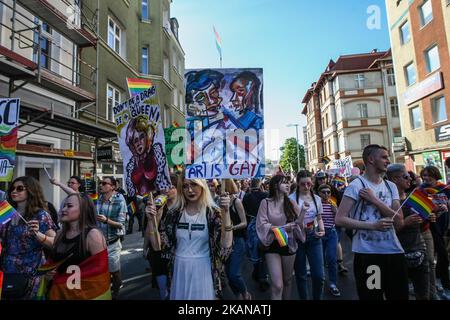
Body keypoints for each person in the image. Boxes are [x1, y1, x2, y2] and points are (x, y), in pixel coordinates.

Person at [336, 144, 408, 300]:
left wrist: (374, 200)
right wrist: (372, 226)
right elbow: (340, 218)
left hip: (394, 252)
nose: (388, 161)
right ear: (370, 159)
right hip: (368, 255)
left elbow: (399, 219)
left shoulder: (391, 186)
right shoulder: (356, 186)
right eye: (384, 157)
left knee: (399, 296)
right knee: (372, 297)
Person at [154, 174, 233, 300]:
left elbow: (225, 247)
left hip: (203, 271)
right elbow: (159, 246)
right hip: (179, 270)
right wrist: (153, 219)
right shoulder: (173, 214)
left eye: (194, 184)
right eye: (185, 186)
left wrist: (226, 212)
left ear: (202, 185)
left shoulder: (213, 213)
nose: (189, 190)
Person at [0, 176, 57, 299]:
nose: (14, 191)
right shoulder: (7, 212)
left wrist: (38, 234)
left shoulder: (41, 215)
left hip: (31, 274)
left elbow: (54, 243)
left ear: (31, 190)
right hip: (7, 270)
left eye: (20, 188)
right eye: (12, 188)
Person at [46, 193, 110, 300]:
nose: (63, 209)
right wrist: (48, 273)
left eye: (69, 206)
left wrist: (63, 280)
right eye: (64, 206)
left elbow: (100, 277)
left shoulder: (93, 235)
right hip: (59, 295)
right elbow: (52, 264)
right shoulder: (59, 234)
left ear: (83, 210)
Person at [257, 175, 305, 300]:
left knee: (288, 280)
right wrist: (282, 228)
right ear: (274, 186)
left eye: (288, 182)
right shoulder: (265, 203)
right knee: (277, 285)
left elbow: (299, 223)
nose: (288, 185)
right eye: (284, 183)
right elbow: (262, 225)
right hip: (272, 243)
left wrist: (304, 212)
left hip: (288, 242)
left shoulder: (292, 203)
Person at [387, 164, 430, 300]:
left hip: (419, 251)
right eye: (406, 177)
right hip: (397, 255)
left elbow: (421, 226)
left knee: (423, 295)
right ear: (394, 179)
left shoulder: (414, 197)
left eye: (410, 177)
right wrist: (405, 222)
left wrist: (428, 217)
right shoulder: (386, 202)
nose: (410, 180)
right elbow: (386, 231)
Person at [290, 170, 325, 300]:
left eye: (309, 184)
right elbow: (290, 220)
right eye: (303, 184)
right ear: (297, 184)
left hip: (314, 237)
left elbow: (319, 217)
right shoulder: (291, 199)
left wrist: (322, 229)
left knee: (319, 276)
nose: (306, 187)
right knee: (301, 275)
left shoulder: (317, 199)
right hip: (298, 238)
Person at [143, 173, 178, 300]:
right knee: (163, 288)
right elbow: (149, 230)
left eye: (171, 187)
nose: (167, 190)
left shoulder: (182, 208)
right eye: (164, 186)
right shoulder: (156, 206)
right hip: (158, 252)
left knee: (176, 285)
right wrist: (145, 246)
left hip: (175, 252)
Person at [96, 176, 127, 300]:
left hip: (113, 242)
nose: (101, 185)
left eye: (104, 183)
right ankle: (107, 291)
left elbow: (121, 224)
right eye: (100, 183)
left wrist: (106, 220)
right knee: (102, 271)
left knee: (114, 270)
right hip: (99, 242)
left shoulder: (120, 199)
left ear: (113, 187)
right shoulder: (98, 199)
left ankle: (117, 286)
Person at [420, 166, 450, 296]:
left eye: (428, 175)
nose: (426, 178)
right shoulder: (422, 190)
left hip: (446, 222)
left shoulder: (445, 188)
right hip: (431, 224)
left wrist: (446, 205)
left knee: (441, 255)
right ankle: (445, 283)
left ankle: (438, 280)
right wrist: (434, 208)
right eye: (424, 176)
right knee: (441, 255)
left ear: (435, 174)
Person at [125, 115, 171, 197]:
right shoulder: (131, 164)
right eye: (135, 140)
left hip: (157, 201)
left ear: (147, 136)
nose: (139, 142)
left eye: (141, 137)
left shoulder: (156, 154)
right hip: (141, 205)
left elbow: (163, 182)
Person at [313, 171, 348, 274]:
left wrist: (338, 212)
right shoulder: (315, 192)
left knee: (336, 242)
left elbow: (341, 201)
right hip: (321, 222)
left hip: (333, 219)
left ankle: (340, 264)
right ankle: (322, 266)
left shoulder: (332, 188)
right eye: (320, 179)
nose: (322, 180)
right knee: (321, 246)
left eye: (324, 178)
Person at [223, 179, 251, 300]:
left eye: (222, 186)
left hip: (237, 241)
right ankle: (238, 296)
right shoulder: (220, 202)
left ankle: (245, 293)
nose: (219, 188)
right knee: (228, 275)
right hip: (225, 242)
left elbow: (244, 223)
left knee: (234, 274)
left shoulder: (236, 201)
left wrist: (231, 228)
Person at [242, 178, 270, 291]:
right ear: (260, 185)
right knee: (263, 250)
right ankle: (262, 276)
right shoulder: (265, 195)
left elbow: (244, 212)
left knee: (254, 250)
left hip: (252, 227)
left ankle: (258, 271)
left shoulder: (246, 196)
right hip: (264, 226)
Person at [317, 184, 341, 297]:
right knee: (320, 259)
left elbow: (339, 222)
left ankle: (333, 284)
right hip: (320, 234)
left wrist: (336, 212)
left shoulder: (333, 204)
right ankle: (320, 280)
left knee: (331, 258)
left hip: (331, 233)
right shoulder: (317, 205)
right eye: (324, 192)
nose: (326, 194)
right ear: (319, 193)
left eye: (328, 192)